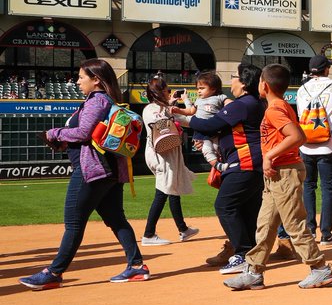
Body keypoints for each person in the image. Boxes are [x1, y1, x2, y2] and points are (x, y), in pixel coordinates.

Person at [19, 59, 150, 289]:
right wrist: (63, 142)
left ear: (96, 79)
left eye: (81, 77)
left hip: (93, 171)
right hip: (109, 170)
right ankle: (136, 266)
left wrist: (54, 133)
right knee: (116, 219)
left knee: (73, 222)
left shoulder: (97, 100)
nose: (78, 82)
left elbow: (82, 133)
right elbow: (87, 137)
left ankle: (54, 272)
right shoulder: (105, 101)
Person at [224, 64, 332, 290]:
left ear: (263, 85)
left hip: (284, 172)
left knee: (294, 223)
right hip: (278, 174)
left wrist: (269, 156)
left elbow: (297, 136)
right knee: (264, 224)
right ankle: (254, 271)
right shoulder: (281, 105)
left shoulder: (274, 109)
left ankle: (319, 268)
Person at [175, 63, 266, 274]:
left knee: (224, 205)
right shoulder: (252, 102)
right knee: (246, 209)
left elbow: (209, 125)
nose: (231, 80)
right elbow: (219, 128)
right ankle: (251, 251)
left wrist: (175, 116)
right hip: (252, 163)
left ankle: (242, 253)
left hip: (244, 162)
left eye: (234, 76)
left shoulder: (240, 104)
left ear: (243, 83)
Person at [296, 55, 332, 244]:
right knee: (328, 189)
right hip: (329, 145)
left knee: (308, 186)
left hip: (305, 144)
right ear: (326, 69)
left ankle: (310, 230)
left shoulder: (301, 89)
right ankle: (326, 233)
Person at [141, 77, 199, 245]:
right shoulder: (150, 109)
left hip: (170, 155)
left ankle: (183, 229)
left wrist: (181, 103)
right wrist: (173, 106)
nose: (168, 93)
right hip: (160, 155)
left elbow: (189, 120)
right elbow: (160, 124)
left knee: (173, 188)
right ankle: (148, 234)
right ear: (159, 93)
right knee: (163, 191)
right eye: (166, 90)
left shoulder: (167, 108)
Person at [176, 72, 228, 168]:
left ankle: (219, 163)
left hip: (216, 130)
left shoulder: (219, 97)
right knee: (207, 149)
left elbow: (230, 104)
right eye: (198, 88)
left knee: (217, 148)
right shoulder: (198, 101)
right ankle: (217, 165)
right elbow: (191, 111)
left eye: (202, 88)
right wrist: (178, 109)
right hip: (202, 132)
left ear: (213, 89)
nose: (199, 91)